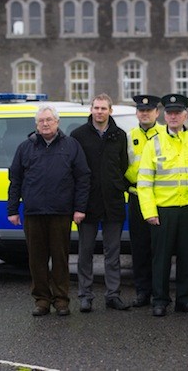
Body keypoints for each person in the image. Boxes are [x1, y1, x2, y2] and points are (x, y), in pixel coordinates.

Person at [8, 105, 90, 317]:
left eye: (49, 120)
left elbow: (83, 178)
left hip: (61, 212)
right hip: (34, 213)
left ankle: (61, 300)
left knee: (60, 259)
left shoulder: (71, 146)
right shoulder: (25, 148)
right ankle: (42, 300)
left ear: (57, 122)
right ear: (36, 124)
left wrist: (79, 208)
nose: (45, 124)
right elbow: (15, 180)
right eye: (41, 121)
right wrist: (13, 209)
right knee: (36, 260)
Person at [137, 93, 188, 317]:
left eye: (177, 113)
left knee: (185, 256)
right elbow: (144, 182)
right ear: (164, 116)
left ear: (185, 116)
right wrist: (150, 212)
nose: (173, 116)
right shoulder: (154, 144)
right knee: (160, 259)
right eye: (169, 113)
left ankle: (184, 299)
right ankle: (160, 300)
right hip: (163, 211)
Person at [71, 93, 130, 312]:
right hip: (87, 203)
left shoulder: (119, 135)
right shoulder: (78, 135)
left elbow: (124, 166)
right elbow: (73, 171)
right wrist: (77, 203)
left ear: (110, 111)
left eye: (103, 108)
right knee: (85, 252)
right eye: (96, 108)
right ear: (91, 109)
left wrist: (118, 185)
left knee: (112, 253)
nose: (99, 112)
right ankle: (85, 295)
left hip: (113, 202)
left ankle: (112, 295)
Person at [125, 94, 165, 307]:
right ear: (137, 113)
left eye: (149, 110)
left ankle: (160, 291)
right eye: (141, 110)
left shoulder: (166, 135)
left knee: (159, 249)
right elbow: (122, 166)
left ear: (157, 113)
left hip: (160, 199)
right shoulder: (129, 136)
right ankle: (143, 292)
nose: (145, 113)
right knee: (139, 248)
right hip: (137, 198)